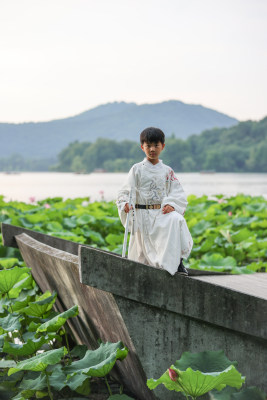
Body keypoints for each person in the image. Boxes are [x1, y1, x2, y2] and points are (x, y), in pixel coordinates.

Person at [116, 127, 193, 275]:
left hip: (160, 213)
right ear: (142, 147)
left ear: (162, 146)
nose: (152, 149)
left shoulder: (167, 171)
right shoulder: (137, 169)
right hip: (142, 215)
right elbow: (125, 191)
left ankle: (177, 262)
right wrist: (125, 203)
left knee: (176, 219)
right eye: (148, 146)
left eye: (156, 145)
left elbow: (178, 193)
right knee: (142, 254)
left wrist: (172, 204)